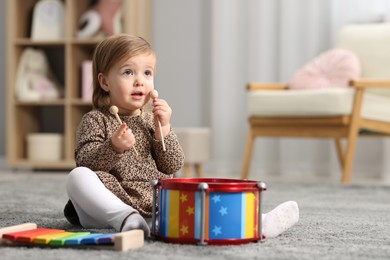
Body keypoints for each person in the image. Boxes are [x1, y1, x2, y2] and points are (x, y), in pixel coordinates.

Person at [64, 34, 299, 239]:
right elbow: (86, 161)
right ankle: (127, 219)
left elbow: (172, 166)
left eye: (147, 73)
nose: (140, 81)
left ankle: (258, 221)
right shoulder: (95, 120)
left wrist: (163, 130)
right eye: (128, 72)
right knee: (78, 177)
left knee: (194, 195)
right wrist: (113, 146)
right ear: (105, 82)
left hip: (153, 198)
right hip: (108, 201)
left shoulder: (150, 120)